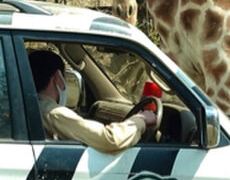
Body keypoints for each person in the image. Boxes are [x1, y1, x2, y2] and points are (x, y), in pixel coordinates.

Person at [28, 49, 157, 154]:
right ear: (58, 77)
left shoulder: (30, 107)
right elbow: (108, 139)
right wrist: (141, 120)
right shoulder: (52, 113)